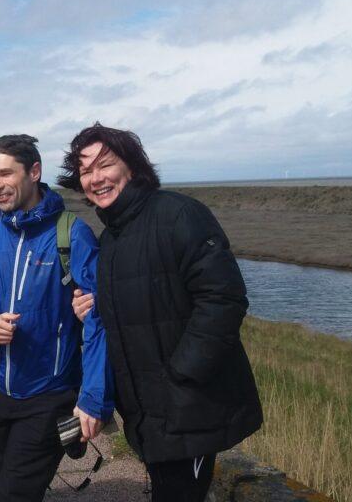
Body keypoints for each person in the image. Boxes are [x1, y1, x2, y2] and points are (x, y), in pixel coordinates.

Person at [59, 123, 263, 502]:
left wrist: (180, 377)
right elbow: (141, 307)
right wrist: (95, 308)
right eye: (86, 171)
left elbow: (223, 299)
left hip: (190, 410)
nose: (96, 178)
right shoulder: (112, 238)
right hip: (150, 414)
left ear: (132, 167)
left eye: (105, 165)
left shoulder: (179, 214)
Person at [0, 134, 114, 502]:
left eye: (5, 174)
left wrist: (93, 398)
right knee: (0, 487)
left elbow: (98, 321)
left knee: (14, 494)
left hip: (48, 392)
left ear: (34, 172)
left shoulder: (71, 233)